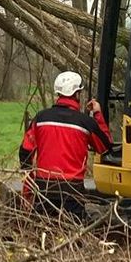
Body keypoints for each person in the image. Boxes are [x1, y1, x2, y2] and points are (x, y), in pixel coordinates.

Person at [19, 71, 112, 222]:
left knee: (43, 231)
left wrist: (28, 187)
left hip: (45, 187)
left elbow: (25, 151)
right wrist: (97, 114)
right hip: (73, 189)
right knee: (73, 233)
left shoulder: (41, 118)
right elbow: (105, 146)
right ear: (77, 94)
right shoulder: (85, 123)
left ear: (58, 94)